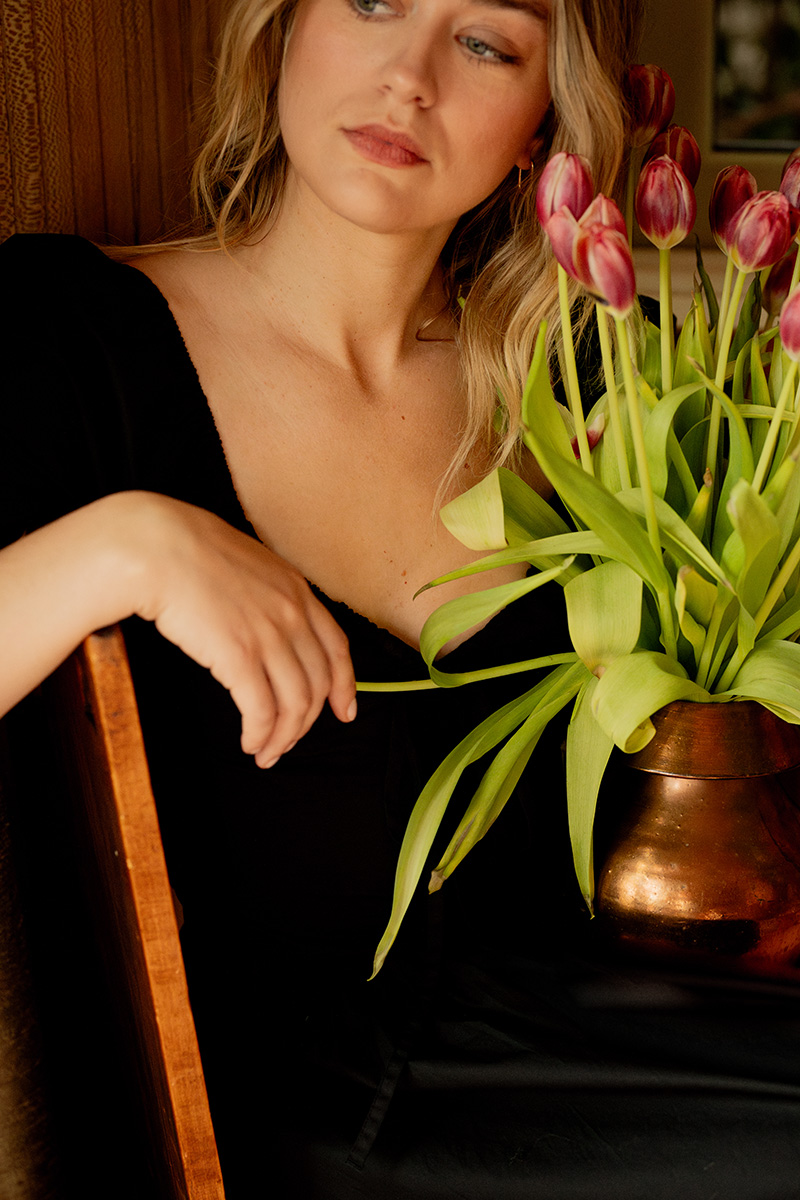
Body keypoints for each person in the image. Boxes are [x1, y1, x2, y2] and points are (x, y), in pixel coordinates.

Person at [4, 0, 800, 1196]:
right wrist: (127, 546)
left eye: (484, 43)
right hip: (292, 1115)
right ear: (279, 29)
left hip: (584, 1045)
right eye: (371, 0)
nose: (408, 78)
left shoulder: (590, 400)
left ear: (542, 127)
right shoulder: (66, 333)